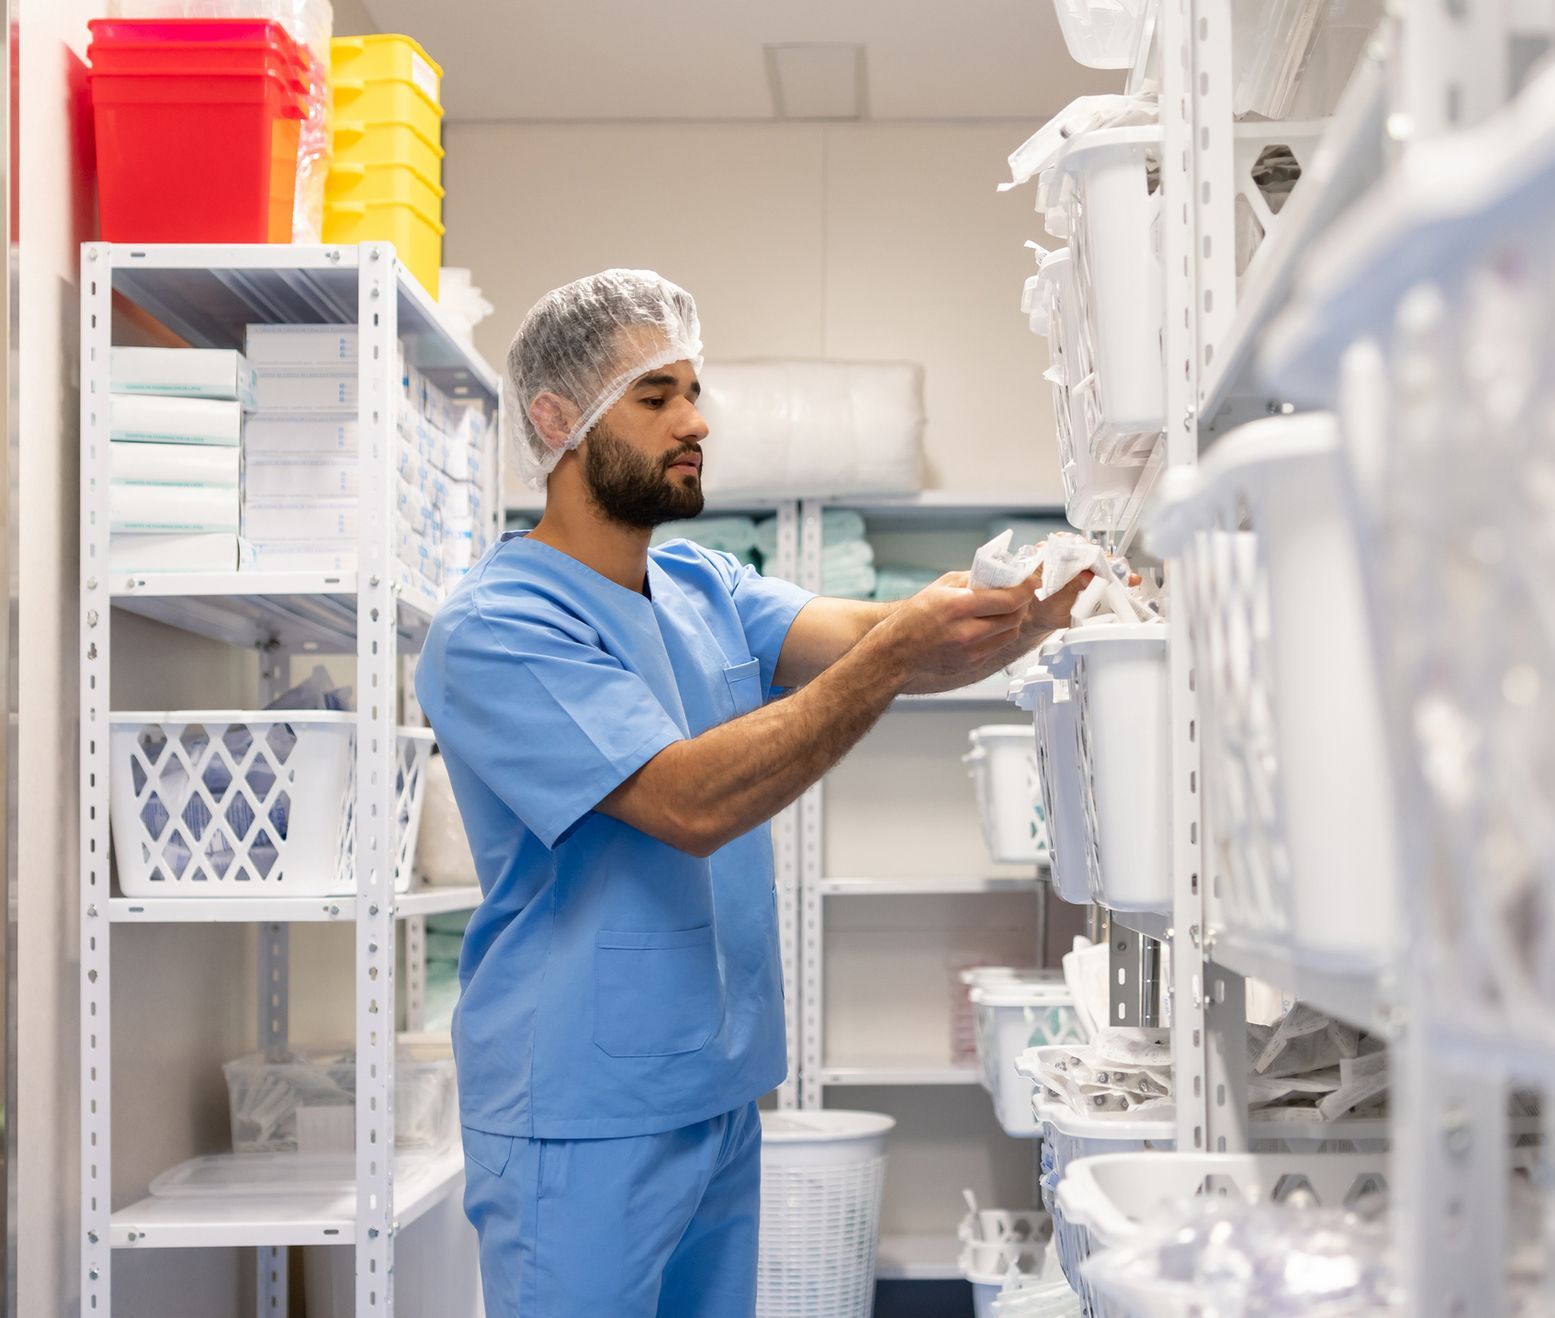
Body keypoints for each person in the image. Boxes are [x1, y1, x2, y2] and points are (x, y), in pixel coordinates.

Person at [413, 269, 1089, 1318]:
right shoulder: (499, 627)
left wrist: (1028, 613)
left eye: (693, 389)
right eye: (655, 397)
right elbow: (689, 802)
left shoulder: (700, 586)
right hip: (580, 1118)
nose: (696, 421)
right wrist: (901, 647)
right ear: (558, 423)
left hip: (714, 1095)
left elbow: (885, 640)